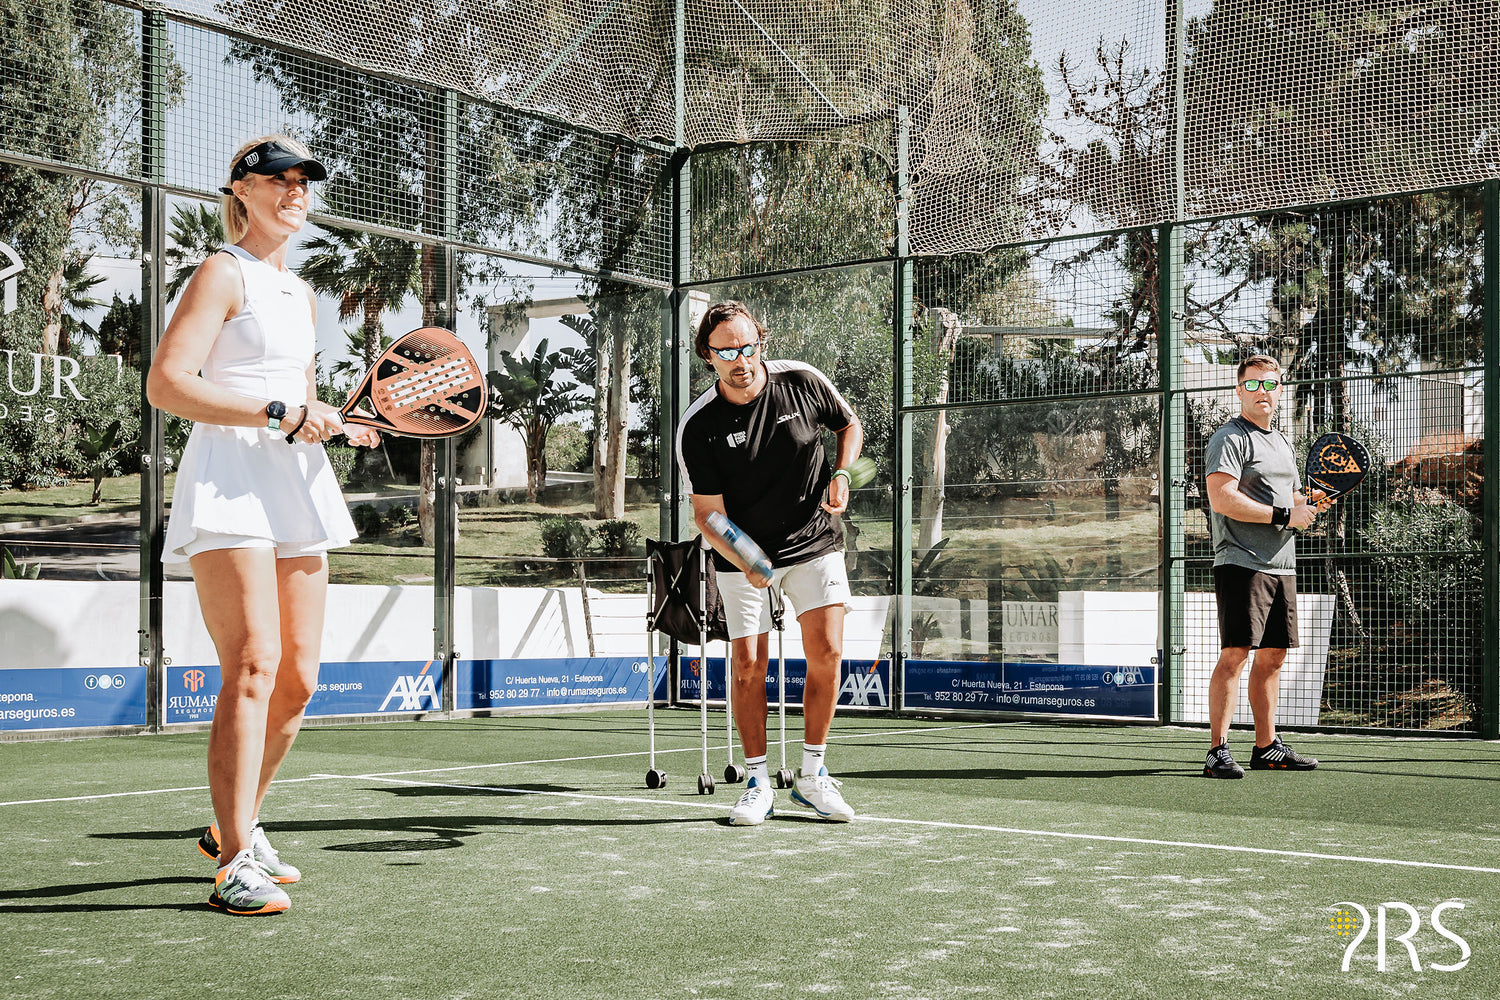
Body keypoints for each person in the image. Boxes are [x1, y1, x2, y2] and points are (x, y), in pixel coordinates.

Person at [146, 135, 381, 913]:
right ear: (240, 190)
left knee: (299, 681)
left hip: (295, 483)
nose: (294, 191)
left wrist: (334, 422)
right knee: (252, 665)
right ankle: (234, 864)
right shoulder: (222, 271)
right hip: (229, 480)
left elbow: (300, 400)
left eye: (303, 181)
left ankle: (236, 823)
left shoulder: (300, 295)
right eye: (278, 179)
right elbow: (167, 384)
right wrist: (279, 411)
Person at [675, 300, 864, 826]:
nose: (741, 360)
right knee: (748, 666)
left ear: (761, 341)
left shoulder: (802, 380)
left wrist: (842, 473)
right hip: (742, 552)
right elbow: (707, 515)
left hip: (814, 540)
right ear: (707, 356)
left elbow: (848, 425)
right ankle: (757, 781)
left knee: (827, 651)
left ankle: (813, 775)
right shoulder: (698, 425)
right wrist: (747, 555)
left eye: (748, 346)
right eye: (726, 352)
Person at [1202, 355, 1329, 779]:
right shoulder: (1230, 438)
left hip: (1283, 566)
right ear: (1239, 391)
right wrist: (1285, 515)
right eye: (1253, 384)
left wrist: (1308, 504)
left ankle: (1266, 747)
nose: (1262, 392)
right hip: (1241, 561)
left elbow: (1290, 498)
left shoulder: (1283, 443)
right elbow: (1222, 499)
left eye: (1270, 385)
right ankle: (1217, 750)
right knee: (1235, 654)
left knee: (1273, 656)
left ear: (1279, 391)